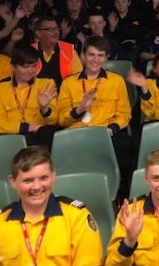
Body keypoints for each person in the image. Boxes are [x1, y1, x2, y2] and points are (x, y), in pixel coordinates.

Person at [57, 36, 133, 187]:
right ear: (83, 56)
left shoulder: (116, 81)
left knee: (127, 147)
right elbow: (61, 120)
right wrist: (80, 109)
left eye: (100, 56)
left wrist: (112, 129)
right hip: (77, 135)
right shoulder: (68, 83)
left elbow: (124, 114)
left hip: (106, 133)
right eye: (91, 55)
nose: (95, 60)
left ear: (106, 58)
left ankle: (118, 192)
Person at [0, 45, 60, 148]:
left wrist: (45, 109)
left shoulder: (46, 84)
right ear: (13, 67)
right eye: (25, 67)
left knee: (49, 132)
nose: (31, 71)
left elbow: (54, 121)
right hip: (11, 139)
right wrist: (27, 127)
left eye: (34, 66)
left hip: (40, 138)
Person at [32, 16, 83, 87]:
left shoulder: (69, 50)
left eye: (57, 29)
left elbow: (79, 78)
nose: (55, 32)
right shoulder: (29, 51)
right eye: (50, 29)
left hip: (63, 95)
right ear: (38, 33)